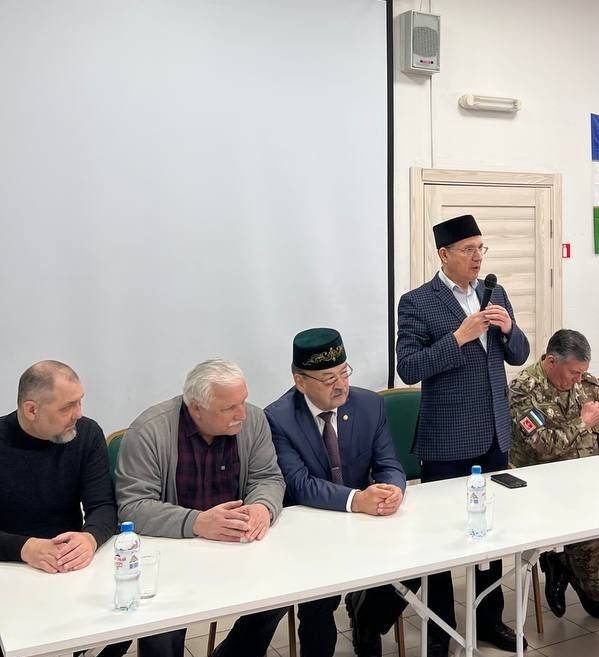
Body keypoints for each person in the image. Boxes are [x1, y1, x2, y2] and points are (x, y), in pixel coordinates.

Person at [396, 214, 530, 657]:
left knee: (490, 535)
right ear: (444, 254)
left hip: (493, 435)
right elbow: (409, 368)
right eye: (468, 249)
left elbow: (520, 354)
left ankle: (489, 619)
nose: (477, 257)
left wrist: (509, 329)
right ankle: (440, 629)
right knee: (441, 538)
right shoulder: (418, 302)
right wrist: (458, 337)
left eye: (480, 248)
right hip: (447, 438)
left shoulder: (495, 293)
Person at [115, 359, 287, 657]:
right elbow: (133, 507)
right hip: (173, 552)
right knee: (161, 627)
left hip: (237, 547)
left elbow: (268, 478)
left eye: (243, 401)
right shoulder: (149, 431)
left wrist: (262, 506)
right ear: (196, 408)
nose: (242, 414)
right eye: (229, 408)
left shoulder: (254, 421)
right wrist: (196, 522)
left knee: (279, 595)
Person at [266, 328, 418, 657]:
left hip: (364, 523)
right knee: (319, 603)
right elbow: (299, 483)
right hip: (311, 528)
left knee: (413, 570)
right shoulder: (278, 418)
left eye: (344, 372)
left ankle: (366, 619)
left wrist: (393, 489)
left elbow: (388, 462)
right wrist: (357, 500)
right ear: (300, 381)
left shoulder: (369, 405)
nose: (340, 385)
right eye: (328, 378)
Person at [509, 329, 599, 620]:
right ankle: (591, 589)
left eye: (582, 372)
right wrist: (583, 423)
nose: (578, 379)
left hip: (592, 481)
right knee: (589, 536)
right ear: (552, 361)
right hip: (545, 487)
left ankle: (565, 563)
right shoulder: (523, 389)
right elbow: (542, 446)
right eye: (573, 372)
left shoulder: (588, 384)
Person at [0, 361, 129, 657]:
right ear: (31, 410)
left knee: (126, 622)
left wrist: (89, 538)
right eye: (67, 407)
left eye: (80, 401)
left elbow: (103, 506)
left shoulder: (86, 434)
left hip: (69, 565)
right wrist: (24, 548)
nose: (78, 413)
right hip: (9, 565)